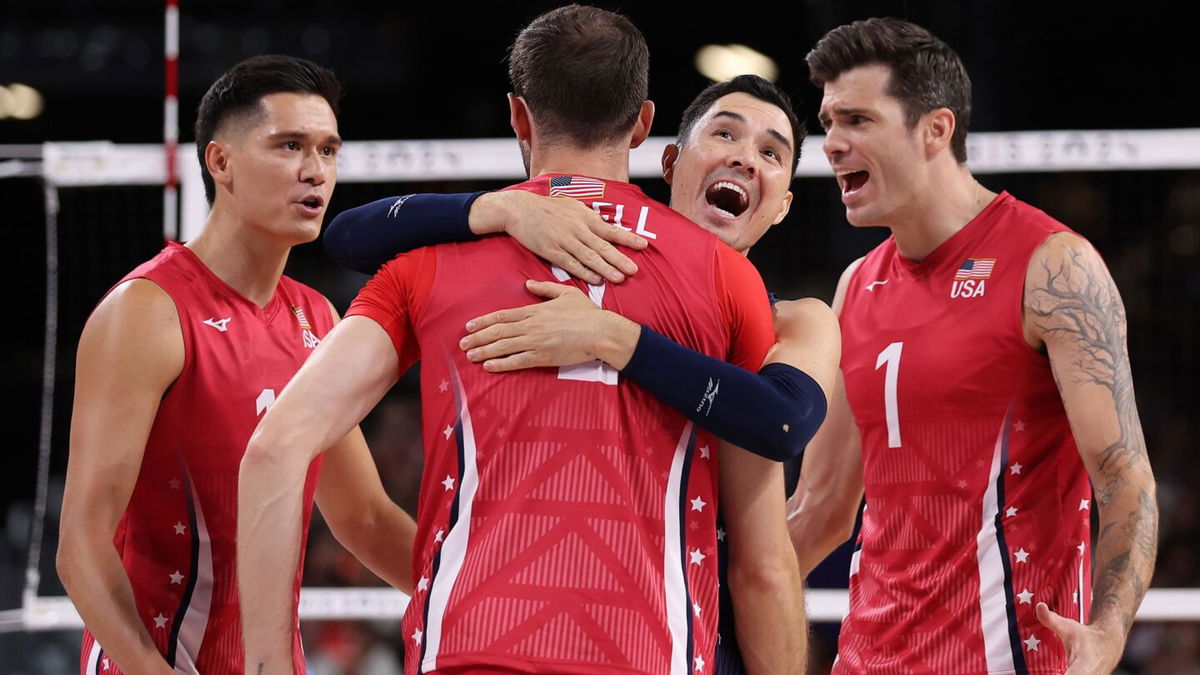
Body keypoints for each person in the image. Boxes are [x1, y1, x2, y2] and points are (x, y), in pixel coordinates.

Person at [238, 7, 791, 674]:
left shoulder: (427, 262)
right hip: (650, 653)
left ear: (518, 117)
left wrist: (268, 664)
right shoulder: (726, 276)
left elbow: (274, 447)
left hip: (470, 650)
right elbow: (761, 563)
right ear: (644, 124)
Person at [784, 18, 1158, 673]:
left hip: (1004, 658)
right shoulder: (857, 285)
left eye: (857, 121)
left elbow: (1125, 479)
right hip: (865, 659)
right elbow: (820, 507)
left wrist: (1106, 630)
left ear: (935, 130)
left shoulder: (1053, 267)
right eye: (827, 123)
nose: (832, 144)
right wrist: (701, 593)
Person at [56, 55, 416, 674]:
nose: (315, 172)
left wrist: (483, 601)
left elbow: (363, 516)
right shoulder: (145, 312)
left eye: (329, 151)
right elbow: (81, 544)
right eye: (290, 146)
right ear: (220, 162)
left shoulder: (317, 317)